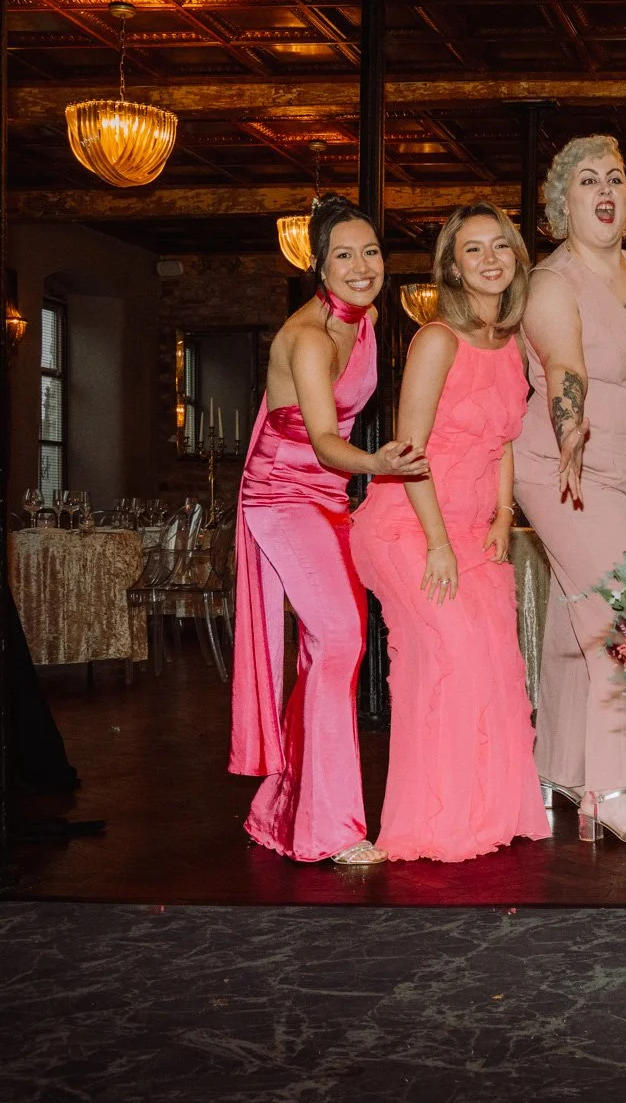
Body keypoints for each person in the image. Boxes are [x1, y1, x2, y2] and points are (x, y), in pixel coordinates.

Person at [229, 194, 428, 865]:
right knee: (341, 637)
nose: (362, 264)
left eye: (371, 251)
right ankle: (329, 828)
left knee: (331, 646)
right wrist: (376, 463)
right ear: (319, 265)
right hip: (283, 491)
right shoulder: (307, 337)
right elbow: (321, 439)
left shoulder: (369, 321)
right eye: (344, 254)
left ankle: (282, 807)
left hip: (328, 491)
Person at [349, 203, 552, 862]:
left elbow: (504, 441)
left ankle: (482, 814)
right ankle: (428, 823)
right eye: (474, 250)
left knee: (496, 667)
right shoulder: (436, 339)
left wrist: (500, 516)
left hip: (474, 526)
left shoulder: (513, 343)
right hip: (408, 523)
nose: (491, 258)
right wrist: (437, 539)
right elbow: (409, 447)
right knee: (449, 657)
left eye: (500, 246)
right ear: (453, 268)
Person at [513, 136, 626, 846]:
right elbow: (564, 367)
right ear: (563, 203)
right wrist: (572, 423)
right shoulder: (553, 282)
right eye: (587, 180)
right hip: (566, 469)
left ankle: (558, 769)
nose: (605, 189)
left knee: (577, 624)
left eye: (615, 176)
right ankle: (612, 788)